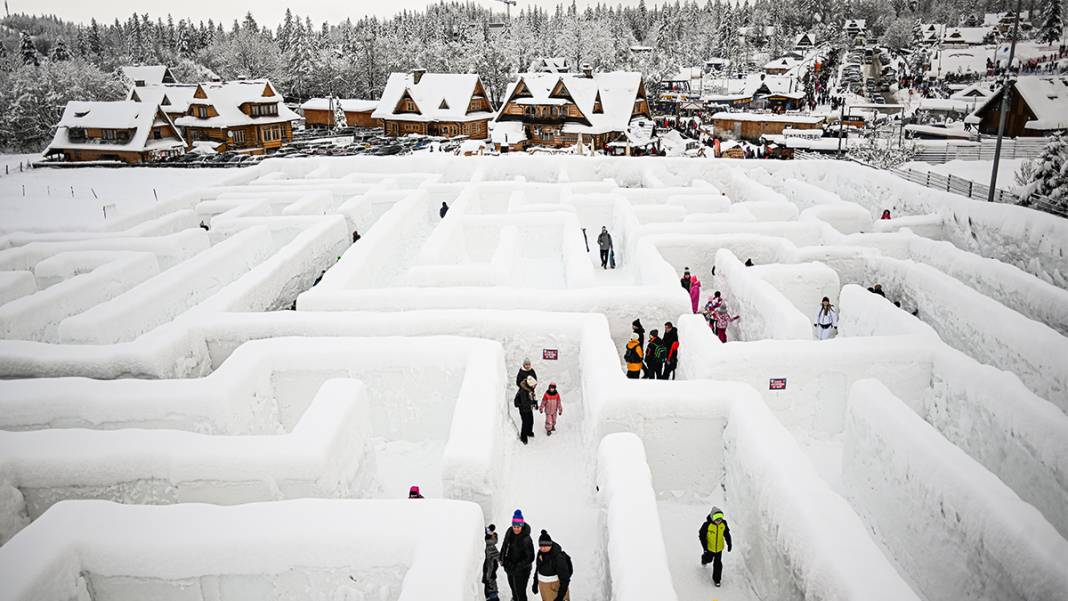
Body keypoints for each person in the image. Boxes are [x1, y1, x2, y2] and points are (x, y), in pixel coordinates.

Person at [501, 510, 535, 601]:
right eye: (514, 526)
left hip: (522, 571)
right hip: (510, 568)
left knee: (520, 592)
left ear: (522, 525)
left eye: (518, 526)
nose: (516, 529)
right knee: (513, 590)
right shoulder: (509, 532)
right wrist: (502, 559)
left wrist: (517, 566)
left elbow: (531, 557)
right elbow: (504, 545)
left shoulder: (526, 539)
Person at [698, 506, 733, 588]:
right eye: (716, 518)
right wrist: (705, 548)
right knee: (708, 559)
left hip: (719, 549)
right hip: (709, 548)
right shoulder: (707, 525)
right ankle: (704, 559)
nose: (718, 521)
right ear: (712, 517)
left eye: (720, 518)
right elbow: (702, 536)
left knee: (718, 564)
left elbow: (727, 534)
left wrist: (729, 543)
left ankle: (717, 580)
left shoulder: (723, 524)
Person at [533, 530, 573, 601]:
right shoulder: (540, 554)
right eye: (541, 546)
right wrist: (535, 583)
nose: (543, 548)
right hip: (544, 587)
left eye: (545, 546)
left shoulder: (558, 558)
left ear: (550, 544)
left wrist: (560, 597)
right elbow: (538, 568)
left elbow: (565, 579)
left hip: (555, 588)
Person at [483, 525, 500, 601]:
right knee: (492, 592)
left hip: (489, 573)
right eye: (494, 535)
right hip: (489, 575)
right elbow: (500, 558)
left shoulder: (488, 545)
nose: (495, 536)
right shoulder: (490, 546)